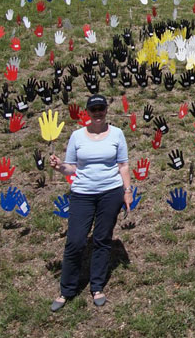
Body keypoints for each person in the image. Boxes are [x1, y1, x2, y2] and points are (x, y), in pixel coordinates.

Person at [48, 94, 131, 310]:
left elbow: (123, 165)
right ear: (87, 112)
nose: (97, 113)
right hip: (82, 193)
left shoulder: (117, 134)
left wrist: (127, 190)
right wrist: (59, 167)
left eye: (101, 109)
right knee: (75, 241)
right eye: (93, 109)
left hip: (110, 193)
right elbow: (71, 167)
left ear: (106, 110)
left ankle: (97, 286)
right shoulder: (77, 136)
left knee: (103, 239)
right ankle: (67, 290)